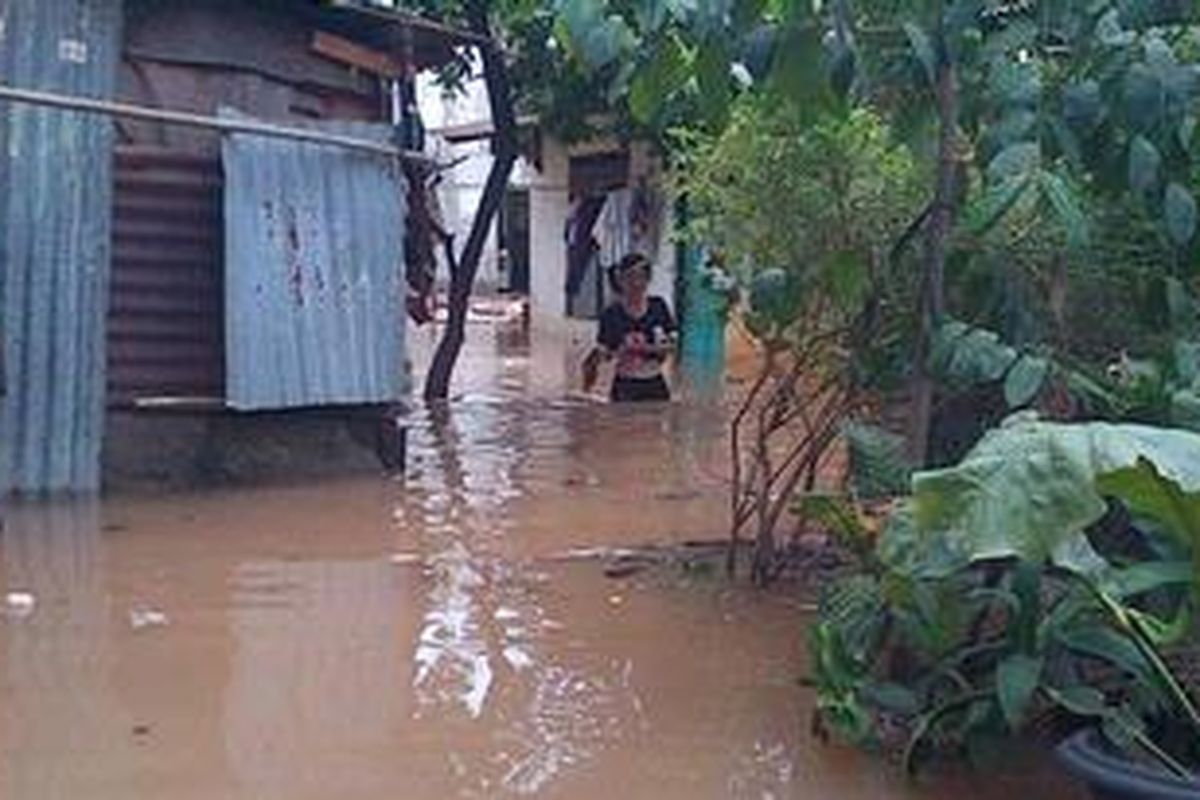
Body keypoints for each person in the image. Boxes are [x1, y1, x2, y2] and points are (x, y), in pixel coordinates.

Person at [582, 253, 677, 402]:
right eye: (630, 277)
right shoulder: (611, 314)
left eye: (641, 277)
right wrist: (587, 388)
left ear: (649, 279)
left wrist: (646, 349)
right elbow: (603, 354)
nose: (636, 283)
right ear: (620, 280)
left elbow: (672, 346)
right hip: (624, 386)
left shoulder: (659, 307)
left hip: (655, 385)